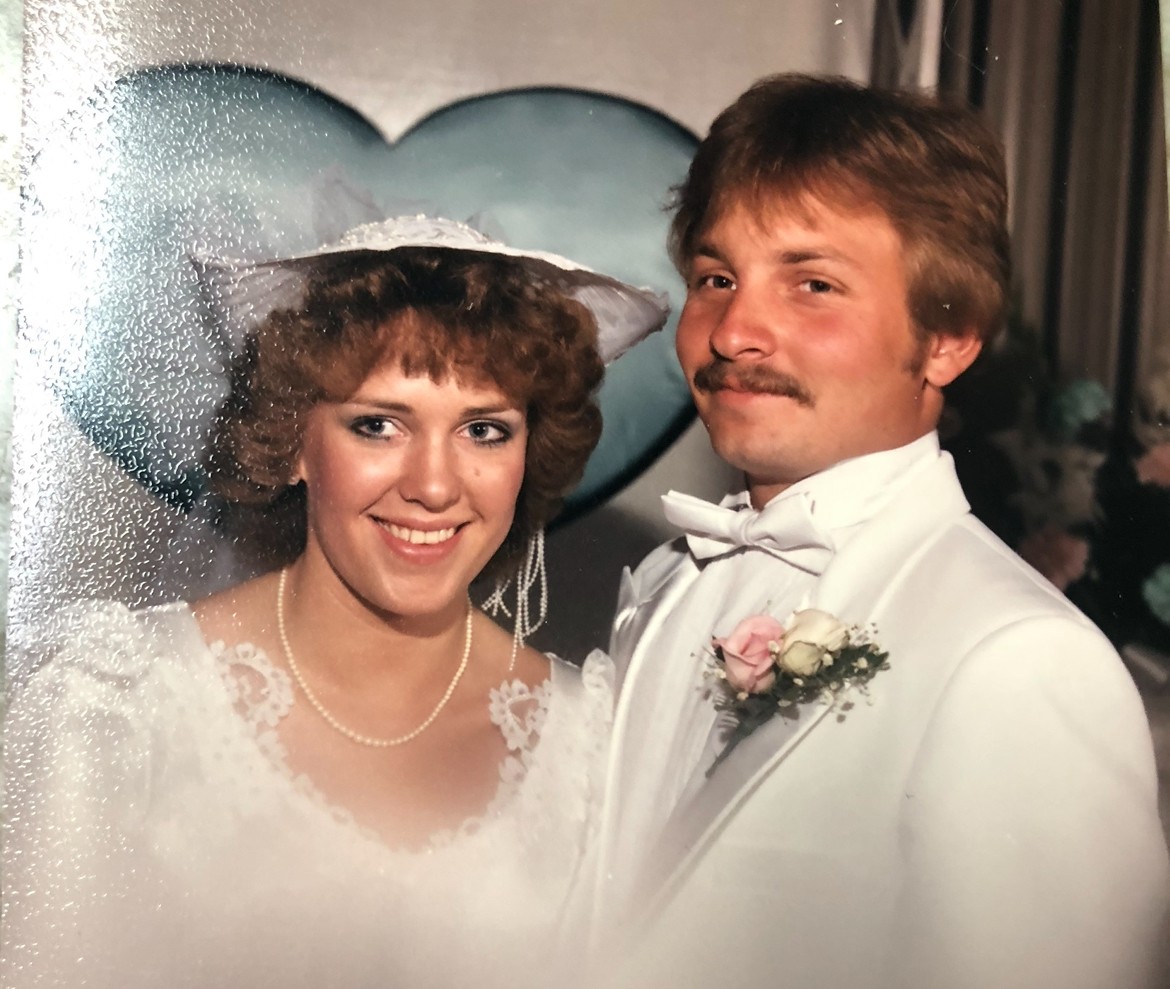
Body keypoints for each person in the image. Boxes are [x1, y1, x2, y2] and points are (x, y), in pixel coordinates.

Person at [586, 75, 1170, 989]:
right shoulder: (669, 579)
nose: (734, 329)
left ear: (949, 339)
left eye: (813, 283)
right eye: (715, 278)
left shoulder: (1021, 658)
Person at [1, 215, 667, 988]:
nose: (434, 485)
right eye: (378, 425)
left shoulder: (594, 742)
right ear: (290, 441)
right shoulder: (119, 702)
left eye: (483, 429)